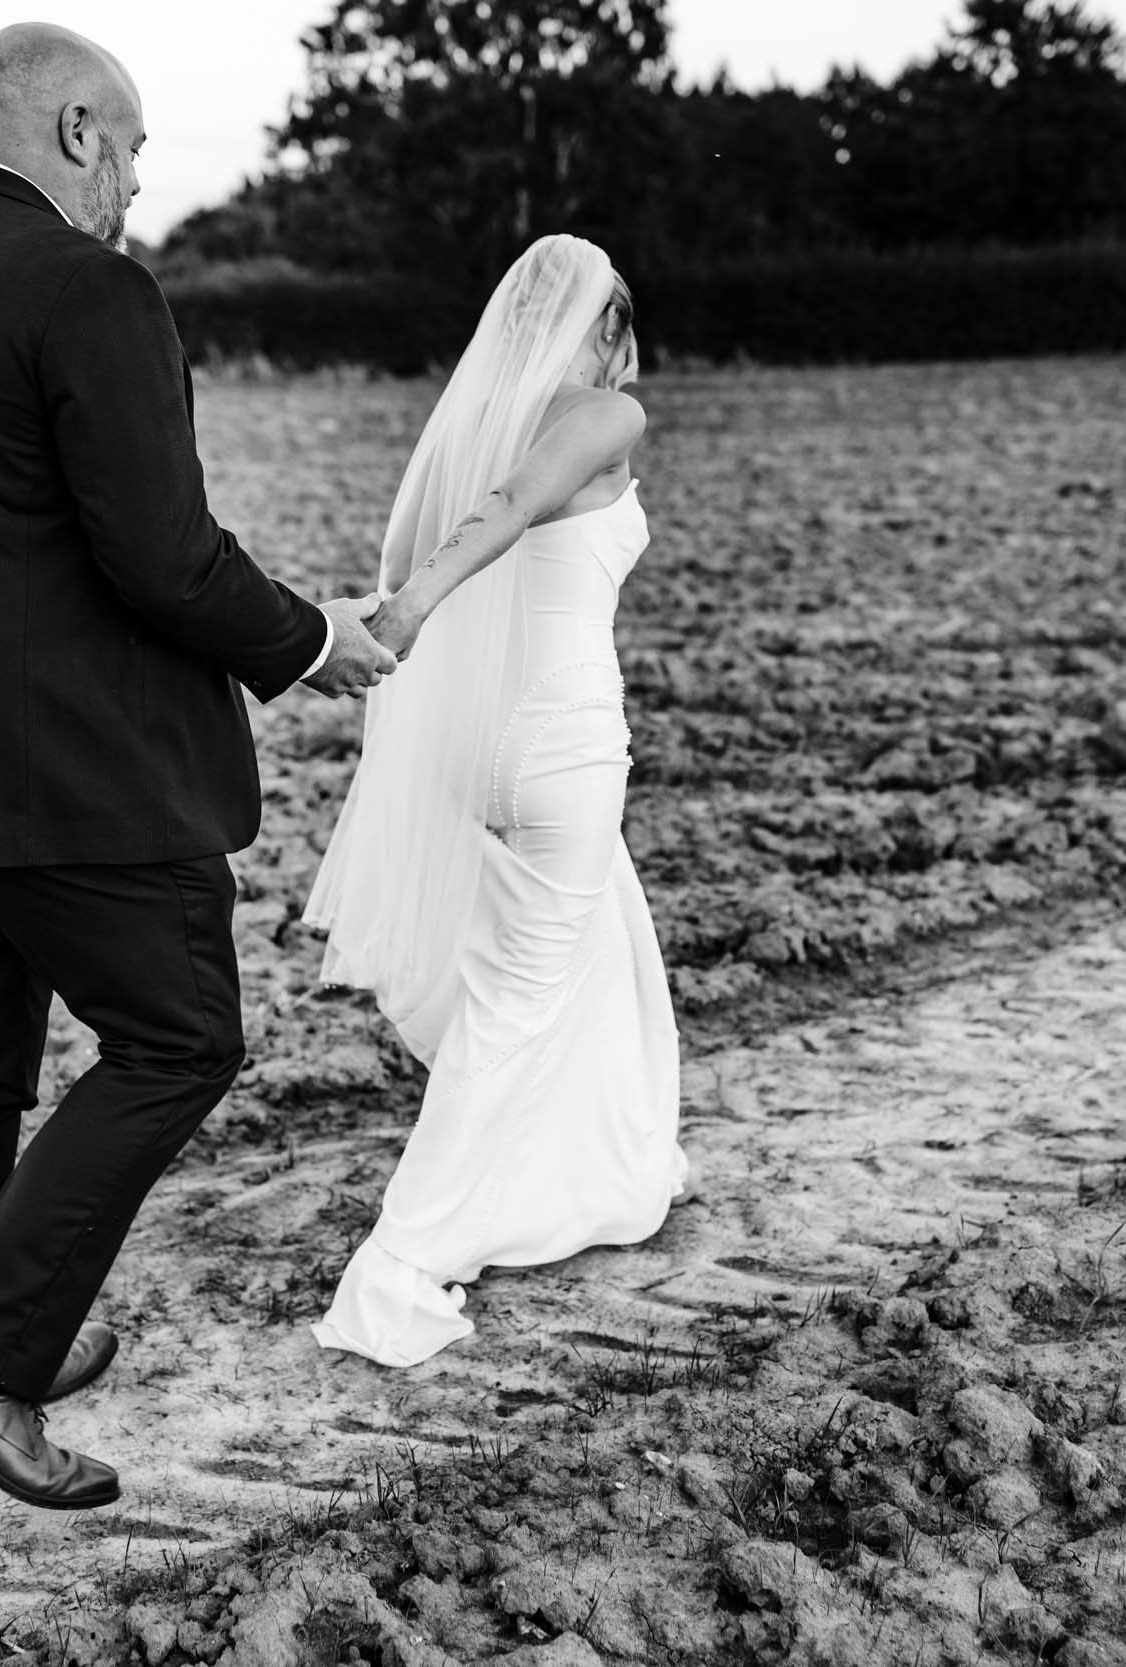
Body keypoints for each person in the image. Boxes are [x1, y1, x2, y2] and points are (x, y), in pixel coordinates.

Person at [0, 22, 396, 1511]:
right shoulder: (85, 285)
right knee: (181, 1036)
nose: (134, 183)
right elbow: (163, 556)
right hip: (79, 778)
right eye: (127, 149)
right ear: (69, 132)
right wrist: (317, 638)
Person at [304, 234, 687, 1368]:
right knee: (518, 1000)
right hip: (561, 746)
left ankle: (610, 1169)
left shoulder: (480, 419)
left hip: (483, 749)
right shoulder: (604, 418)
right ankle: (400, 1265)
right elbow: (518, 509)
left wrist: (390, 598)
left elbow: (471, 524)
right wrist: (410, 611)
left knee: (606, 942)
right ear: (606, 322)